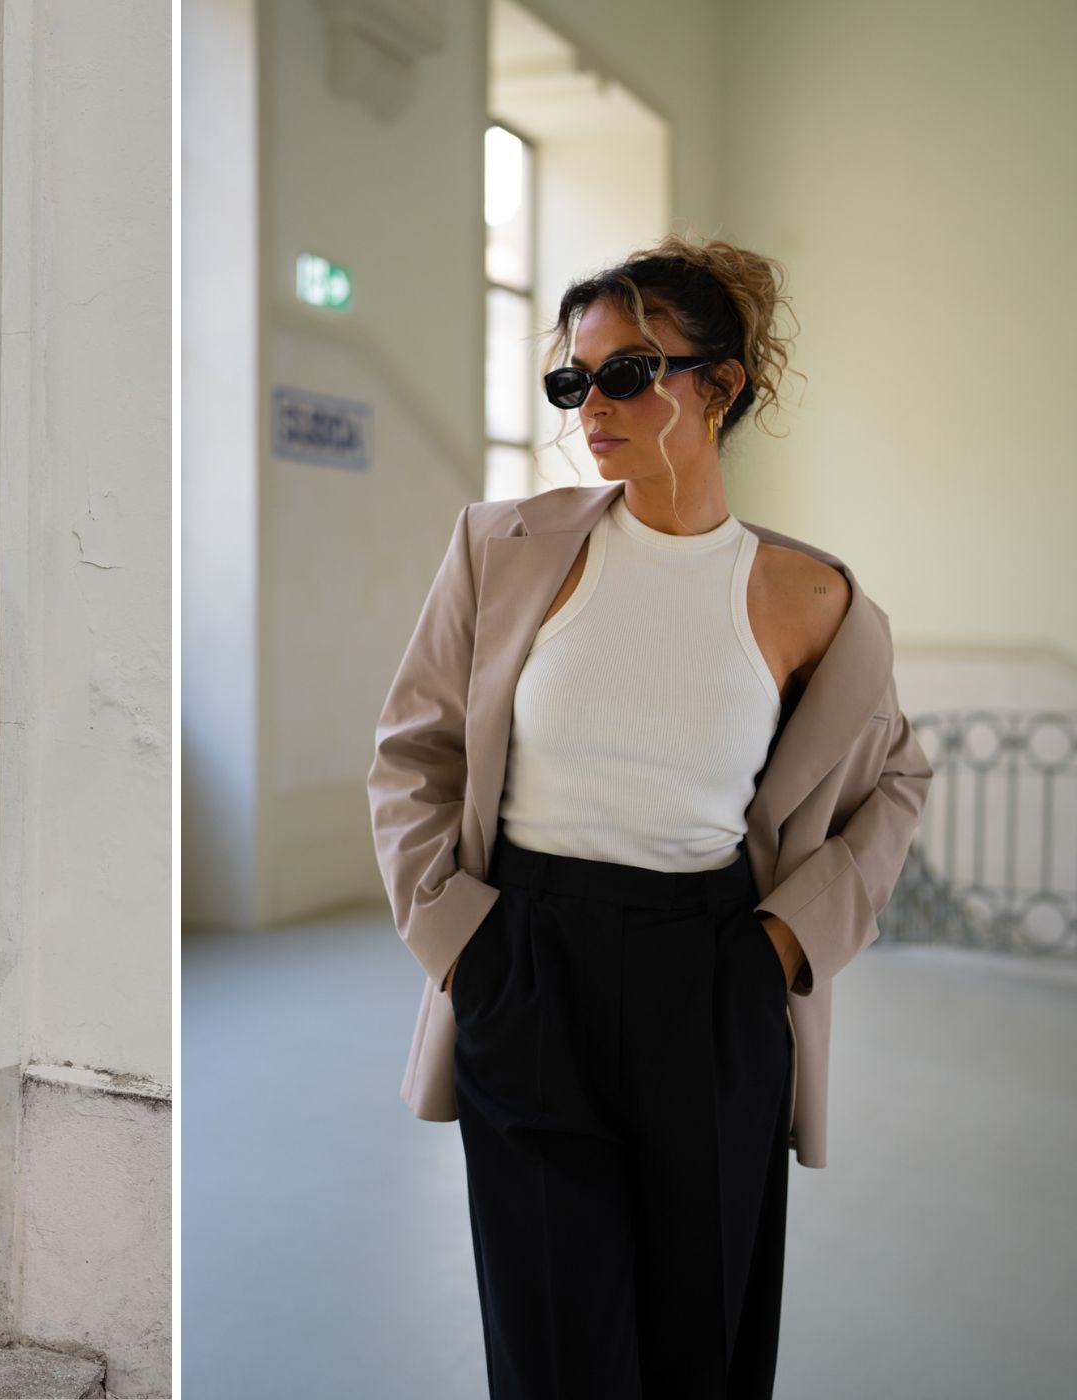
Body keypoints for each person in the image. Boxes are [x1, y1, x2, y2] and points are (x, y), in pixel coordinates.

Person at [367, 233, 931, 1399]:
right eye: (573, 382)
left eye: (628, 373)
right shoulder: (504, 548)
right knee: (557, 1346)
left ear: (719, 386)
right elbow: (414, 750)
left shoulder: (812, 597)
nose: (593, 407)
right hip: (526, 960)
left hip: (714, 971)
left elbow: (895, 781)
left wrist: (784, 941)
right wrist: (461, 942)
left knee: (701, 1341)